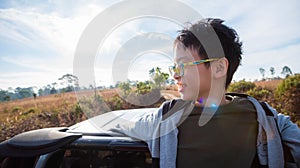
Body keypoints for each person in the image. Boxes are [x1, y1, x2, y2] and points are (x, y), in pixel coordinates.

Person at [111, 18, 300, 168]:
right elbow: (120, 124)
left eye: (183, 65)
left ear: (219, 68)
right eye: (175, 67)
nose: (176, 75)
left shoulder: (266, 118)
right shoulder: (164, 120)